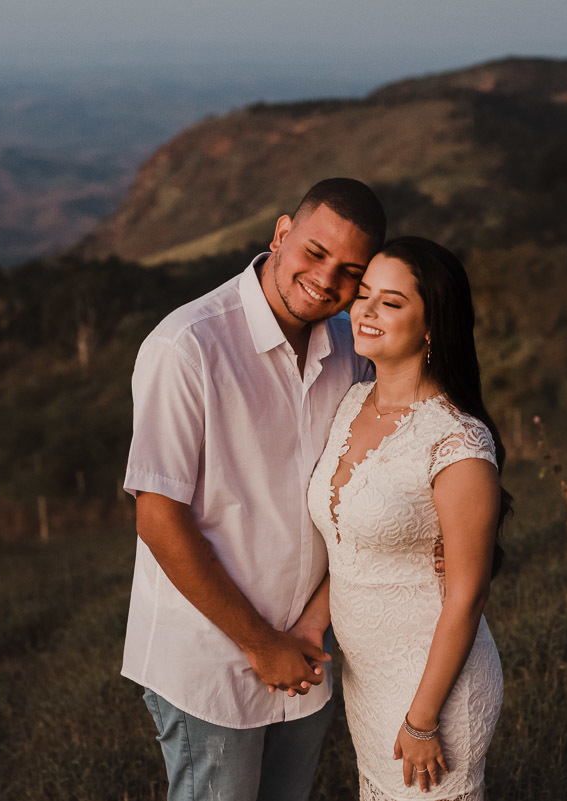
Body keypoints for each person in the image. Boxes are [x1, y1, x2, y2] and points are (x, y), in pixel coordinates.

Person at [121, 178, 386, 801]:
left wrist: (307, 630)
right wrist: (260, 643)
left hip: (308, 655)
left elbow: (356, 497)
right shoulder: (188, 346)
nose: (326, 280)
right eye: (315, 253)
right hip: (210, 660)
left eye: (350, 271)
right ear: (281, 233)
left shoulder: (351, 350)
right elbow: (158, 517)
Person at [302, 237, 512, 799]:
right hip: (366, 682)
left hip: (434, 691)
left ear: (430, 325)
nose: (364, 311)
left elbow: (467, 595)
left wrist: (421, 719)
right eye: (364, 294)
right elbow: (350, 549)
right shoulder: (352, 402)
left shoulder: (457, 442)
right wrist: (310, 622)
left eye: (390, 302)